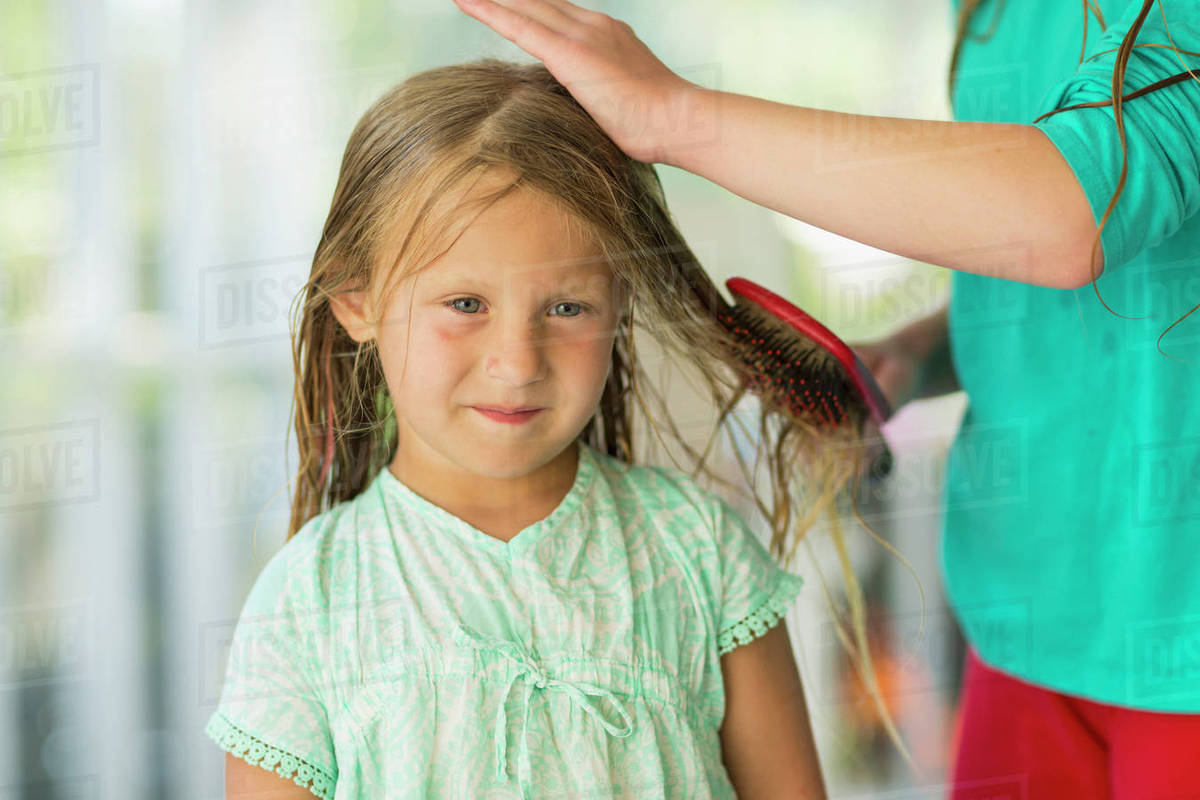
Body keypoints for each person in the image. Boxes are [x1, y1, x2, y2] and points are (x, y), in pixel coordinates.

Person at [448, 0, 1200, 796]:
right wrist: (917, 353)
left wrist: (676, 115)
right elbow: (1089, 250)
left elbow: (1074, 206)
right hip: (1026, 610)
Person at [201, 58, 855, 799]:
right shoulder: (308, 601)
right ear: (358, 301)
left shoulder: (697, 552)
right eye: (465, 304)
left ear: (621, 303)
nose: (516, 364)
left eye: (567, 307)